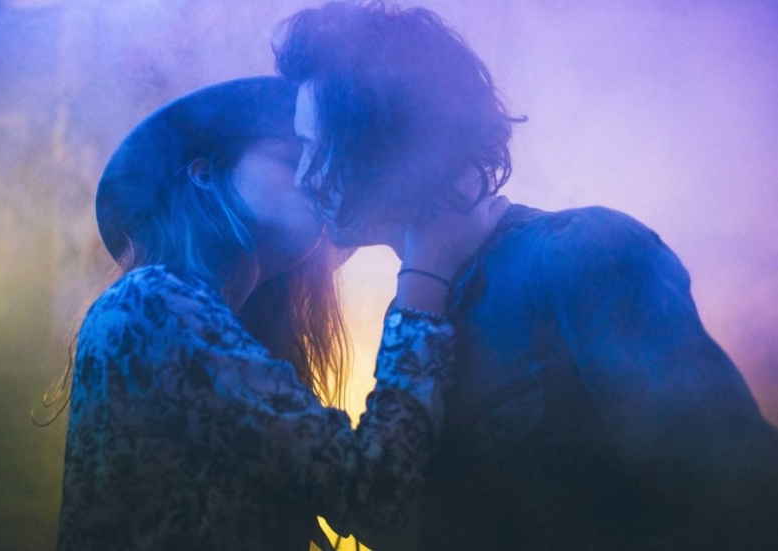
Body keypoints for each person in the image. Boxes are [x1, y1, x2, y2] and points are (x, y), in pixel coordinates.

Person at [274, 3, 778, 550]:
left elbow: (733, 487)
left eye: (313, 149)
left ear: (384, 145)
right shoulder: (416, 314)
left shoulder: (582, 254)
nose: (302, 178)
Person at [55, 76, 507, 551]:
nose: (316, 180)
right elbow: (373, 494)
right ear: (205, 172)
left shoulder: (213, 326)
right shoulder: (150, 304)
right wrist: (426, 271)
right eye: (293, 160)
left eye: (323, 162)